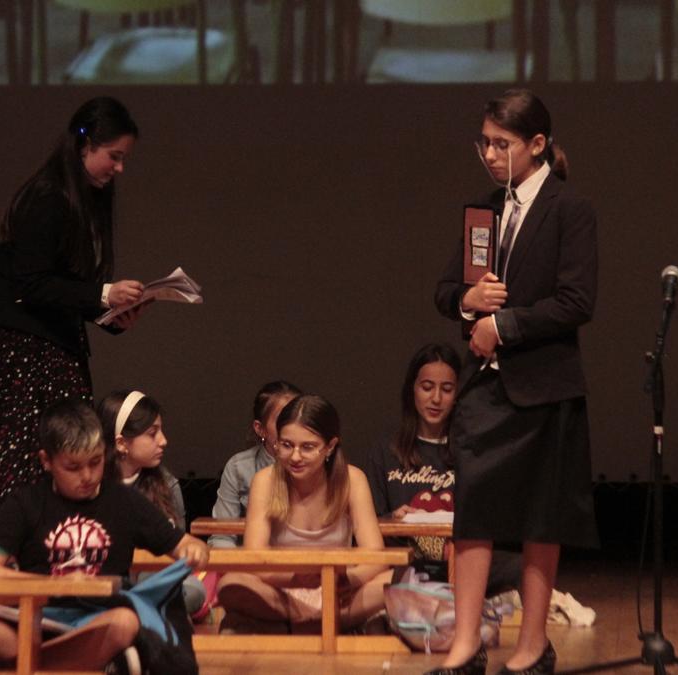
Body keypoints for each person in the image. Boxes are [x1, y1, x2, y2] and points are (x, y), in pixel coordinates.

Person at [0, 97, 151, 569]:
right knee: (20, 468)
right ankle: (3, 570)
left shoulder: (79, 199)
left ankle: (46, 564)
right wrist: (103, 293)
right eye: (113, 155)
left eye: (123, 158)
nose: (118, 168)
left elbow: (63, 288)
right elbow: (29, 285)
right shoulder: (47, 196)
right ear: (83, 144)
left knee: (56, 460)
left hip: (50, 349)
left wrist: (109, 314)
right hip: (20, 354)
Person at [430, 89, 599, 675]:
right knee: (471, 513)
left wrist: (503, 325)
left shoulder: (568, 210)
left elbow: (577, 302)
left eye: (501, 144)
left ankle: (531, 645)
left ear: (537, 145)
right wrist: (468, 301)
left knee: (539, 520)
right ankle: (465, 641)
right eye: (485, 143)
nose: (491, 154)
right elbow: (447, 291)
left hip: (545, 388)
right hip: (488, 387)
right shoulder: (483, 212)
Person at [0, 400, 209, 672]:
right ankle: (85, 663)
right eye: (73, 467)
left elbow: (183, 544)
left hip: (95, 618)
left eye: (95, 462)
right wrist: (53, 586)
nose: (87, 476)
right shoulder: (25, 503)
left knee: (125, 622)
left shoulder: (124, 500)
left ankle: (16, 666)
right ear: (46, 461)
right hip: (34, 619)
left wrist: (194, 550)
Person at [216, 394, 391, 633]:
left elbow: (375, 554)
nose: (295, 456)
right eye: (287, 445)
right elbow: (255, 557)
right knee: (232, 584)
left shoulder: (353, 480)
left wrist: (343, 580)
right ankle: (317, 619)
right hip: (282, 592)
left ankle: (302, 621)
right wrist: (295, 578)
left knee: (393, 582)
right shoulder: (265, 481)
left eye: (307, 447)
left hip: (338, 593)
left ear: (330, 446)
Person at [363, 342, 520, 596]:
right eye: (427, 387)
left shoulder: (471, 450)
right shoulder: (385, 451)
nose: (436, 399)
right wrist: (392, 518)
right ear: (412, 390)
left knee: (519, 567)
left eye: (447, 389)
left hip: (462, 561)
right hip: (406, 562)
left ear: (458, 394)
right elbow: (369, 523)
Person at [98, 389, 206, 614]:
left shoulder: (167, 484)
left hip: (155, 576)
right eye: (152, 433)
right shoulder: (93, 486)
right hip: (104, 576)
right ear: (121, 443)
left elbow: (178, 548)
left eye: (161, 431)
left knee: (192, 592)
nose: (163, 441)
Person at [209, 380, 303, 549]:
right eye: (282, 420)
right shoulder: (239, 467)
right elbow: (221, 537)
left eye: (298, 419)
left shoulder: (319, 466)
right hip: (249, 565)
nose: (291, 428)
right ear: (260, 429)